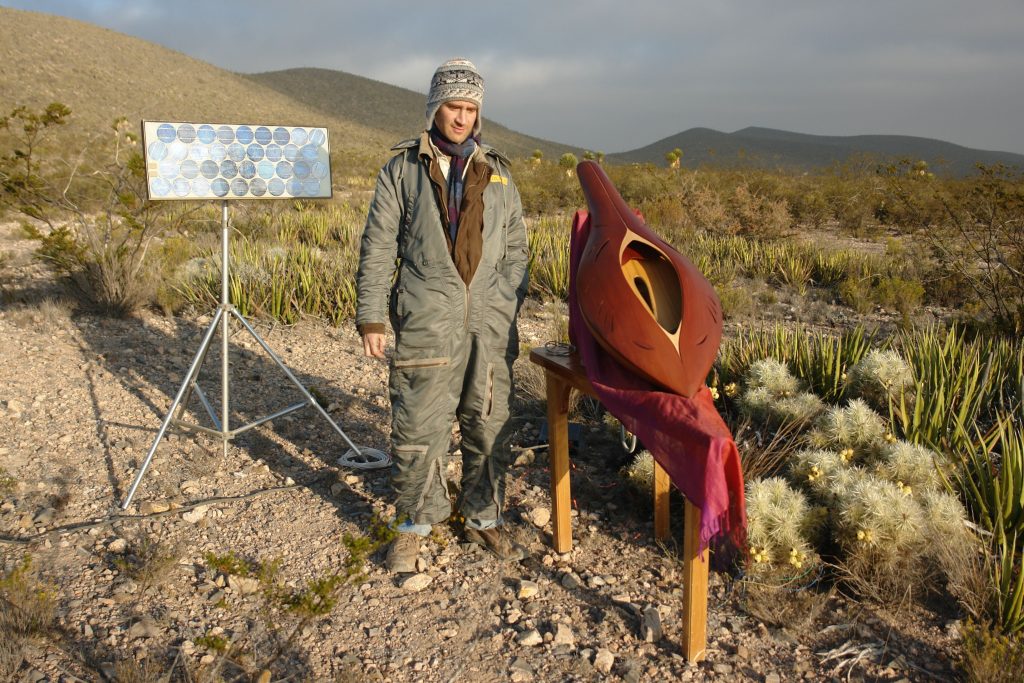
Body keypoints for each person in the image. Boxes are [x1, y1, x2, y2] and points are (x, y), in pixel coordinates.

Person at [355, 58, 529, 573]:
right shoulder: (402, 169)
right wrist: (371, 317)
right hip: (426, 318)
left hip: (489, 326)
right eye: (453, 106)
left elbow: (517, 247)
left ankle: (484, 516)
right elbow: (378, 248)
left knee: (488, 422)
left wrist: (502, 300)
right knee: (418, 424)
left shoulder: (498, 173)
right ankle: (414, 522)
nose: (461, 117)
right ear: (435, 107)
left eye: (471, 108)